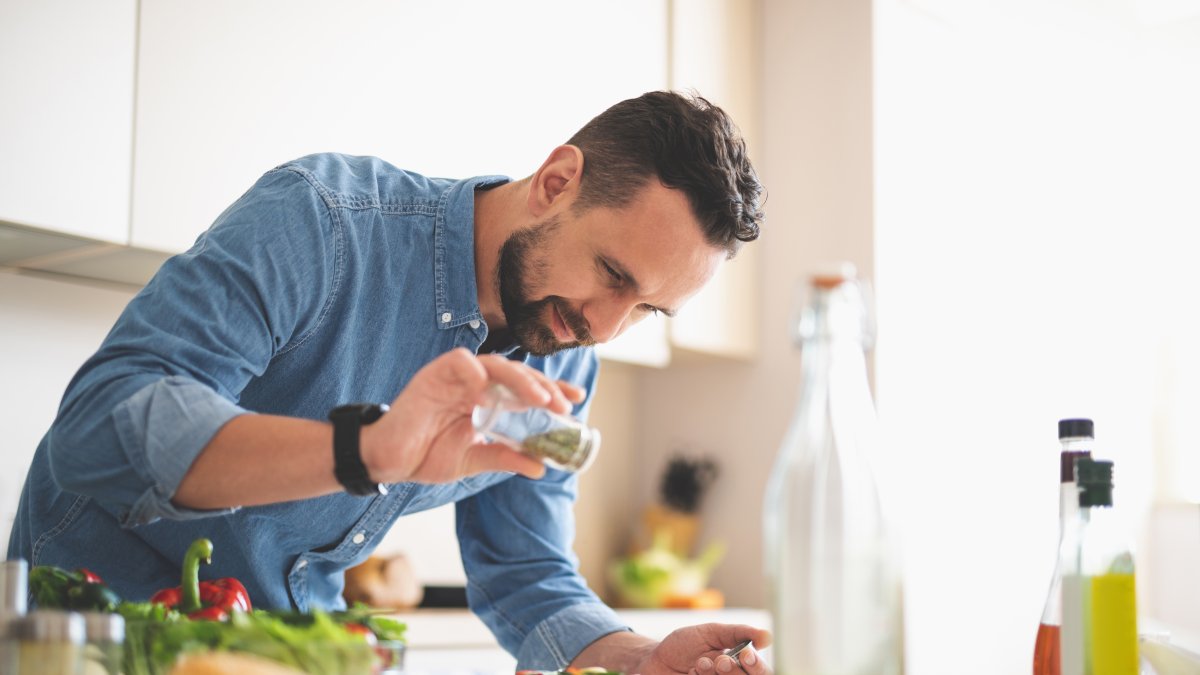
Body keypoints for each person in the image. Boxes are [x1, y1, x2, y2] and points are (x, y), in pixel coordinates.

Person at [8, 90, 769, 673]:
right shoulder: (323, 221)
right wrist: (367, 448)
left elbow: (526, 564)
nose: (606, 324)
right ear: (557, 180)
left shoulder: (564, 344)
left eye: (647, 309)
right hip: (98, 644)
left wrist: (637, 657)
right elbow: (98, 428)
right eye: (612, 274)